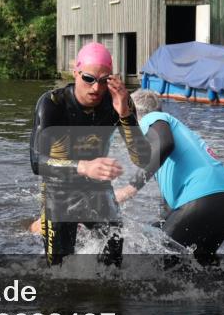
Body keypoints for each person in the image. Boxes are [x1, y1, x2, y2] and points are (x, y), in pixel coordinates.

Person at [30, 42, 152, 267]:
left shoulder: (117, 102)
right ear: (75, 73)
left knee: (114, 266)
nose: (96, 88)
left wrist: (125, 114)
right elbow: (37, 163)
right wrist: (84, 166)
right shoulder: (53, 103)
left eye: (104, 80)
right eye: (88, 79)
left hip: (98, 189)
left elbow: (142, 159)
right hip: (59, 189)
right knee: (58, 272)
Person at [114, 89, 224, 265]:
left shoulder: (150, 118)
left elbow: (166, 144)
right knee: (197, 267)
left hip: (202, 200)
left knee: (157, 259)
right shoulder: (179, 135)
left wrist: (129, 190)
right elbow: (170, 211)